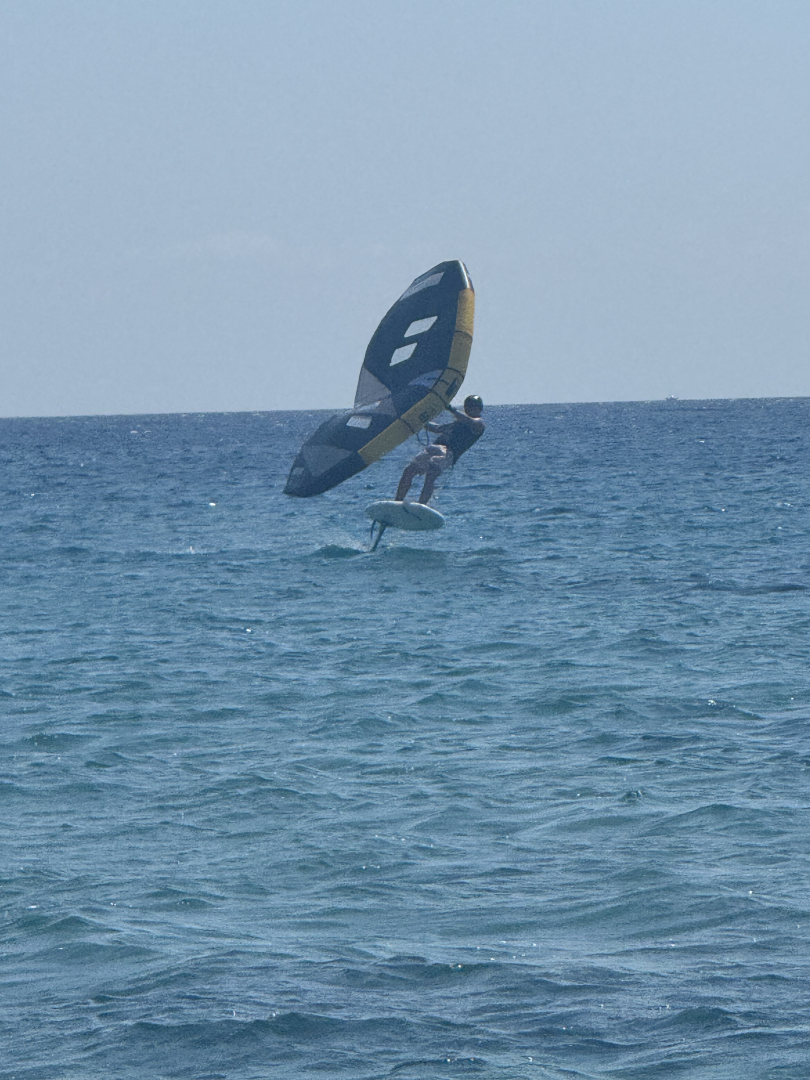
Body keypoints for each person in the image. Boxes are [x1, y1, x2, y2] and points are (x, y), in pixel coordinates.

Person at [395, 395, 485, 504]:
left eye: (472, 407)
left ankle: (422, 505)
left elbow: (469, 421)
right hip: (434, 448)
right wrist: (420, 421)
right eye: (467, 407)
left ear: (479, 409)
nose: (468, 409)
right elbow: (437, 428)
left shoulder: (478, 424)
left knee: (432, 470)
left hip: (449, 453)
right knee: (409, 470)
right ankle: (398, 501)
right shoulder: (458, 423)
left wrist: (450, 408)